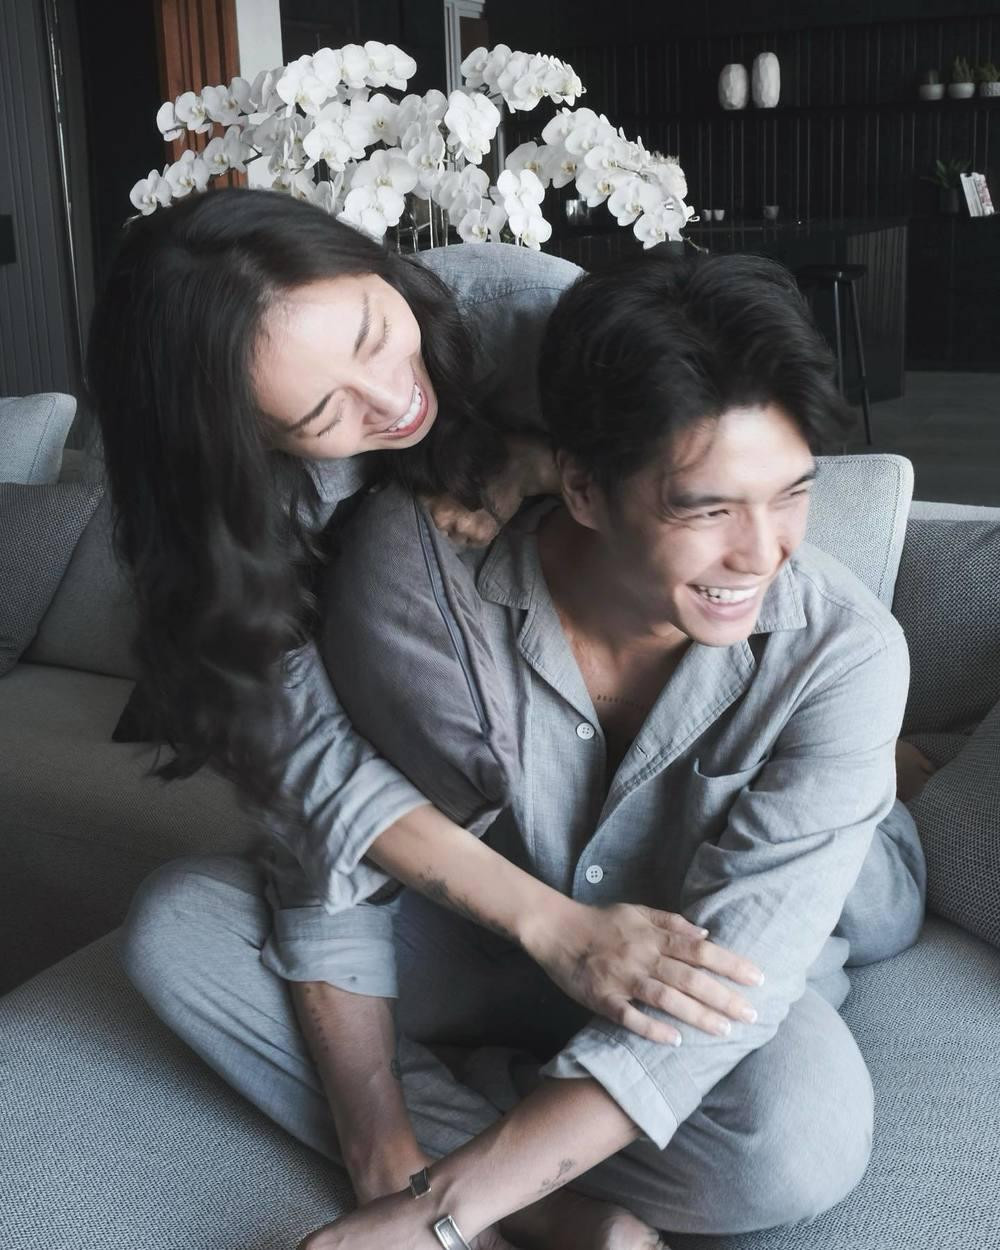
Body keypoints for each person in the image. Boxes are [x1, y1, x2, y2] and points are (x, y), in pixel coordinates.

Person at [121, 250, 927, 1250]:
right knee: (180, 929)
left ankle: (499, 1142)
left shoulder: (841, 649)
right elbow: (327, 827)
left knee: (796, 1140)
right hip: (485, 930)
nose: (762, 552)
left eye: (791, 494)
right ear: (580, 485)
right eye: (706, 508)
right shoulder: (416, 593)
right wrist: (387, 1156)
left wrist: (436, 1216)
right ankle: (545, 1195)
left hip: (678, 955)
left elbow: (728, 990)